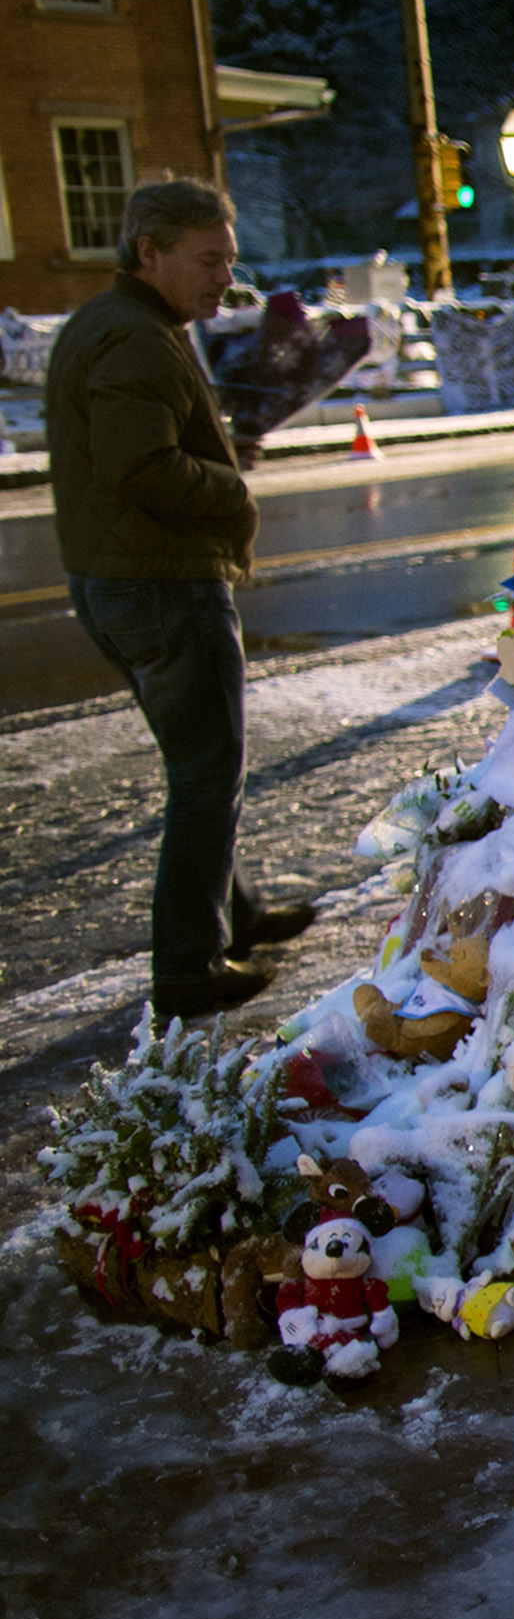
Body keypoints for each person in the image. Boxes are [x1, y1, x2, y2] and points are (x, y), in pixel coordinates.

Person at [45, 178, 311, 1019]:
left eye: (230, 259)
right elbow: (141, 467)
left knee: (198, 763)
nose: (224, 278)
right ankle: (191, 964)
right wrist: (229, 489)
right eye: (207, 259)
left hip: (125, 579)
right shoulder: (136, 339)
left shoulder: (119, 323)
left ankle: (232, 912)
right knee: (206, 772)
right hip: (162, 584)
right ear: (148, 252)